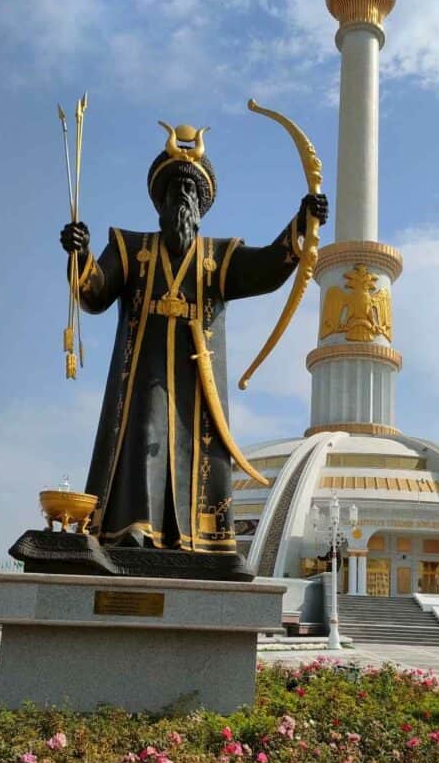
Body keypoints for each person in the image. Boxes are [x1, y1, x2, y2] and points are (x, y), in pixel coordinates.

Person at [60, 123, 328, 554]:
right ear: (160, 201)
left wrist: (300, 225)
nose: (183, 197)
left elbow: (265, 269)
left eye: (191, 191)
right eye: (175, 190)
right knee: (143, 429)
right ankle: (135, 527)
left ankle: (200, 540)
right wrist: (81, 254)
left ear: (201, 206)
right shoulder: (129, 248)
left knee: (200, 450)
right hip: (142, 372)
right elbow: (94, 292)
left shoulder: (219, 256)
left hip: (198, 379)